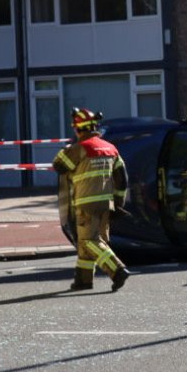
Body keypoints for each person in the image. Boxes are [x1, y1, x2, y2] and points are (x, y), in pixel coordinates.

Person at [53, 108, 131, 291]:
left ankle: (117, 270)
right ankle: (83, 280)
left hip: (86, 202)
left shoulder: (80, 148)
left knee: (89, 241)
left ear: (78, 129)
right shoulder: (110, 148)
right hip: (106, 204)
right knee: (87, 241)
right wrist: (119, 203)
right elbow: (122, 178)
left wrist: (68, 148)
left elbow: (58, 166)